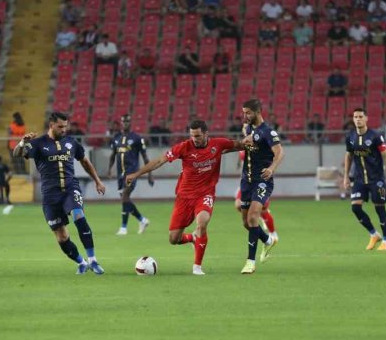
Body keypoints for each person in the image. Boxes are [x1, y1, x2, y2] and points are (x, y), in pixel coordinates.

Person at [125, 120, 242, 275]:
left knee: (202, 222)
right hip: (184, 197)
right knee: (174, 239)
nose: (195, 139)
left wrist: (256, 144)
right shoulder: (184, 147)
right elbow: (160, 160)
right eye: (192, 135)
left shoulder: (218, 144)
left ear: (206, 134)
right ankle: (192, 238)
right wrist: (136, 174)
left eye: (198, 136)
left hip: (205, 194)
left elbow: (238, 145)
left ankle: (197, 267)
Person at [12, 112, 107, 274]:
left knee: (79, 216)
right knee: (62, 236)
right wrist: (22, 143)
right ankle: (81, 262)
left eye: (65, 126)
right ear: (51, 125)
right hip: (50, 195)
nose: (64, 129)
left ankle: (93, 261)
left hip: (71, 188)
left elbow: (85, 161)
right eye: (60, 127)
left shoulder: (72, 143)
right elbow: (17, 154)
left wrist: (97, 180)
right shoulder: (38, 143)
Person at [238, 99, 284, 274]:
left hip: (262, 180)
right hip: (246, 181)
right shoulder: (249, 129)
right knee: (246, 223)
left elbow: (280, 152)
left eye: (248, 113)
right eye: (244, 112)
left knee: (253, 217)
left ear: (257, 112)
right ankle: (267, 240)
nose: (245, 116)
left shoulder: (268, 132)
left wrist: (271, 169)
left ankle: (250, 262)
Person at [343, 107, 386, 251]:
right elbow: (348, 157)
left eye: (361, 116)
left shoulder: (375, 136)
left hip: (376, 179)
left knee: (380, 209)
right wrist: (346, 177)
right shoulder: (350, 137)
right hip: (360, 180)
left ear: (366, 119)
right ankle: (374, 234)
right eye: (355, 117)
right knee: (355, 207)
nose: (358, 119)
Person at [107, 114, 154, 235]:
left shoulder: (137, 138)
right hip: (120, 174)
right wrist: (109, 169)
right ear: (121, 123)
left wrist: (150, 174)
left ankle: (123, 227)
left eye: (128, 121)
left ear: (130, 122)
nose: (125, 123)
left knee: (125, 197)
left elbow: (145, 157)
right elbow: (113, 155)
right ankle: (142, 220)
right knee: (125, 200)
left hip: (132, 173)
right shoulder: (116, 137)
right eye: (124, 121)